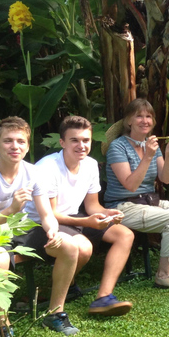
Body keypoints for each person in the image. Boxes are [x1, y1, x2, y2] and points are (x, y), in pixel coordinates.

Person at [0, 117, 83, 337]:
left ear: (27, 146)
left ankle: (55, 314)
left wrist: (53, 231)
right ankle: (3, 329)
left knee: (70, 246)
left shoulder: (34, 172)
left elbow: (46, 214)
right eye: (8, 141)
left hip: (20, 228)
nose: (15, 146)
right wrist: (11, 209)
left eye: (20, 141)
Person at [26, 116, 134, 316]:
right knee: (84, 248)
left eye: (86, 140)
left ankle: (103, 297)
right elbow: (52, 214)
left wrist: (107, 213)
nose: (81, 145)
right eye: (74, 140)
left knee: (124, 234)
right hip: (43, 222)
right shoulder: (47, 167)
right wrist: (87, 221)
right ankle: (61, 287)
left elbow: (92, 205)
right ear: (62, 143)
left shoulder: (91, 164)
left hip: (74, 216)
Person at [104, 98, 169, 288]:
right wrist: (148, 156)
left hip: (148, 202)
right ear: (128, 121)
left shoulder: (151, 145)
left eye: (149, 116)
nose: (145, 120)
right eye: (139, 116)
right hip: (122, 206)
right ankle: (163, 274)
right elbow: (130, 185)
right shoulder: (118, 147)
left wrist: (167, 154)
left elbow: (166, 178)